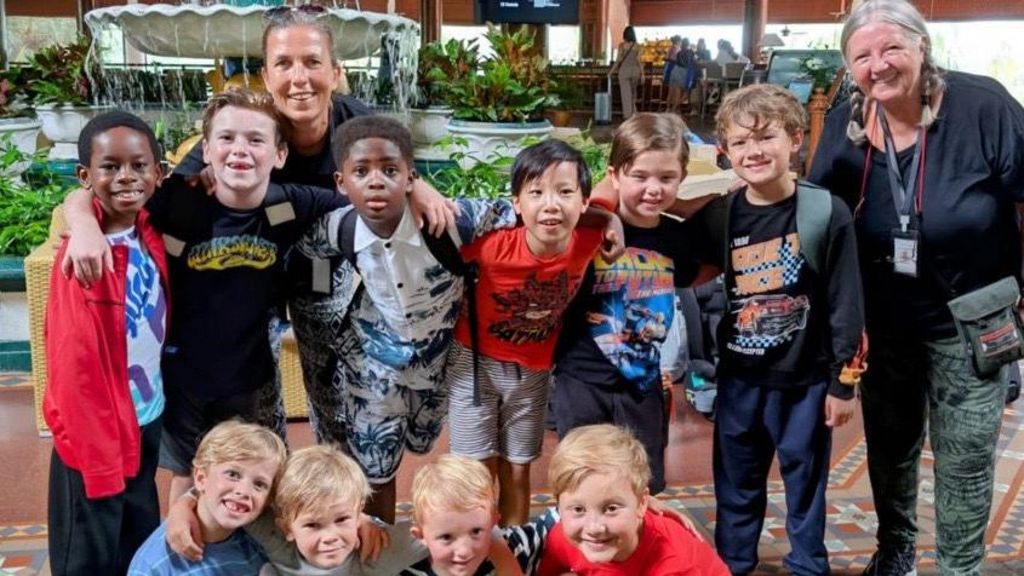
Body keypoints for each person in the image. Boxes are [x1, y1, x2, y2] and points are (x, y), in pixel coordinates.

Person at [807, 1, 1024, 574]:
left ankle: (959, 566)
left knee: (966, 458)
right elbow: (813, 209)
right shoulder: (845, 122)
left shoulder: (984, 106)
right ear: (849, 66)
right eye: (863, 55)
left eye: (892, 49)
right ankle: (895, 549)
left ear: (922, 47)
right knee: (890, 450)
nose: (878, 65)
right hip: (884, 323)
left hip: (971, 320)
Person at [61, 89, 348, 504]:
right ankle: (182, 560)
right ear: (207, 150)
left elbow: (370, 198)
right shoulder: (178, 199)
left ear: (279, 154)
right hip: (182, 376)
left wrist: (420, 191)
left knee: (251, 475)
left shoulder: (293, 203)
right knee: (189, 479)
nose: (240, 151)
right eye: (227, 139)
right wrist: (83, 223)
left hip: (248, 378)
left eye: (255, 140)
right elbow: (91, 192)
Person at [287, 115, 519, 523]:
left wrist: (603, 217)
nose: (376, 181)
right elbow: (310, 257)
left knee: (423, 440)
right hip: (371, 364)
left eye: (389, 170)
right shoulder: (337, 227)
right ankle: (380, 550)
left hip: (438, 362)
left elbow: (518, 213)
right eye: (361, 172)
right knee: (375, 466)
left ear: (411, 178)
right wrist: (321, 312)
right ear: (342, 183)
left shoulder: (454, 221)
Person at [693, 83, 864, 576]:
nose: (753, 152)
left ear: (795, 139)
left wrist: (842, 382)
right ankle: (733, 563)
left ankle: (809, 564)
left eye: (765, 137)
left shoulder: (824, 211)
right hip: (740, 378)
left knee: (805, 484)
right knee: (736, 484)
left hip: (805, 382)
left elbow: (846, 303)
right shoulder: (722, 214)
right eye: (740, 143)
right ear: (725, 151)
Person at [445, 139, 618, 526]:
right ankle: (475, 551)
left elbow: (616, 188)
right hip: (474, 365)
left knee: (518, 468)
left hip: (534, 371)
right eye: (536, 192)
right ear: (517, 204)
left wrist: (610, 219)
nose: (551, 204)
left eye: (565, 192)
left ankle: (515, 550)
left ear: (583, 201)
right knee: (476, 471)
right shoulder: (491, 246)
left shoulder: (587, 239)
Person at [44, 112, 168, 576]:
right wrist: (82, 223)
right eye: (109, 167)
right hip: (95, 431)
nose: (126, 177)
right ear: (86, 175)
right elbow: (72, 368)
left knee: (134, 539)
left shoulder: (149, 231)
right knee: (89, 551)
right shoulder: (82, 259)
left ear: (157, 172)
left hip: (144, 414)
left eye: (139, 165)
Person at [553, 113, 703, 495]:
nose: (653, 189)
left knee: (642, 484)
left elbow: (691, 275)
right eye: (640, 176)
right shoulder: (588, 228)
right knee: (581, 481)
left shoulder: (678, 239)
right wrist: (603, 211)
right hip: (582, 378)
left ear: (681, 178)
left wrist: (690, 207)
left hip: (643, 383)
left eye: (666, 178)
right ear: (616, 174)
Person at [163, 445, 428, 575]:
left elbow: (442, 526)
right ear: (287, 528)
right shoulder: (277, 540)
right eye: (313, 525)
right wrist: (184, 504)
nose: (330, 536)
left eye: (342, 519)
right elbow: (229, 497)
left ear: (357, 511)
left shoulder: (376, 552)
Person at [537, 424, 728, 575]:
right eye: (578, 509)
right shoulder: (560, 538)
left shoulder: (676, 566)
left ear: (642, 503)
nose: (594, 528)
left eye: (611, 508)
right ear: (559, 507)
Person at [128, 421, 287, 575]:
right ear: (201, 478)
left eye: (259, 484)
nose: (244, 491)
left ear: (268, 498)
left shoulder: (262, 540)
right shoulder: (153, 564)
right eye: (232, 474)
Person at [405, 455, 527, 576]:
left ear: (493, 522)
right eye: (446, 537)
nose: (464, 551)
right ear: (420, 535)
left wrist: (505, 559)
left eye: (476, 531)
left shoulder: (514, 550)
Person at [610, 26, 644, 120]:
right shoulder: (638, 46)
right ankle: (634, 112)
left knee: (626, 94)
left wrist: (611, 72)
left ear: (624, 35)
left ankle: (628, 116)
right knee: (633, 92)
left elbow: (618, 60)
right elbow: (638, 60)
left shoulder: (622, 45)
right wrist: (642, 74)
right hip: (635, 71)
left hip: (624, 71)